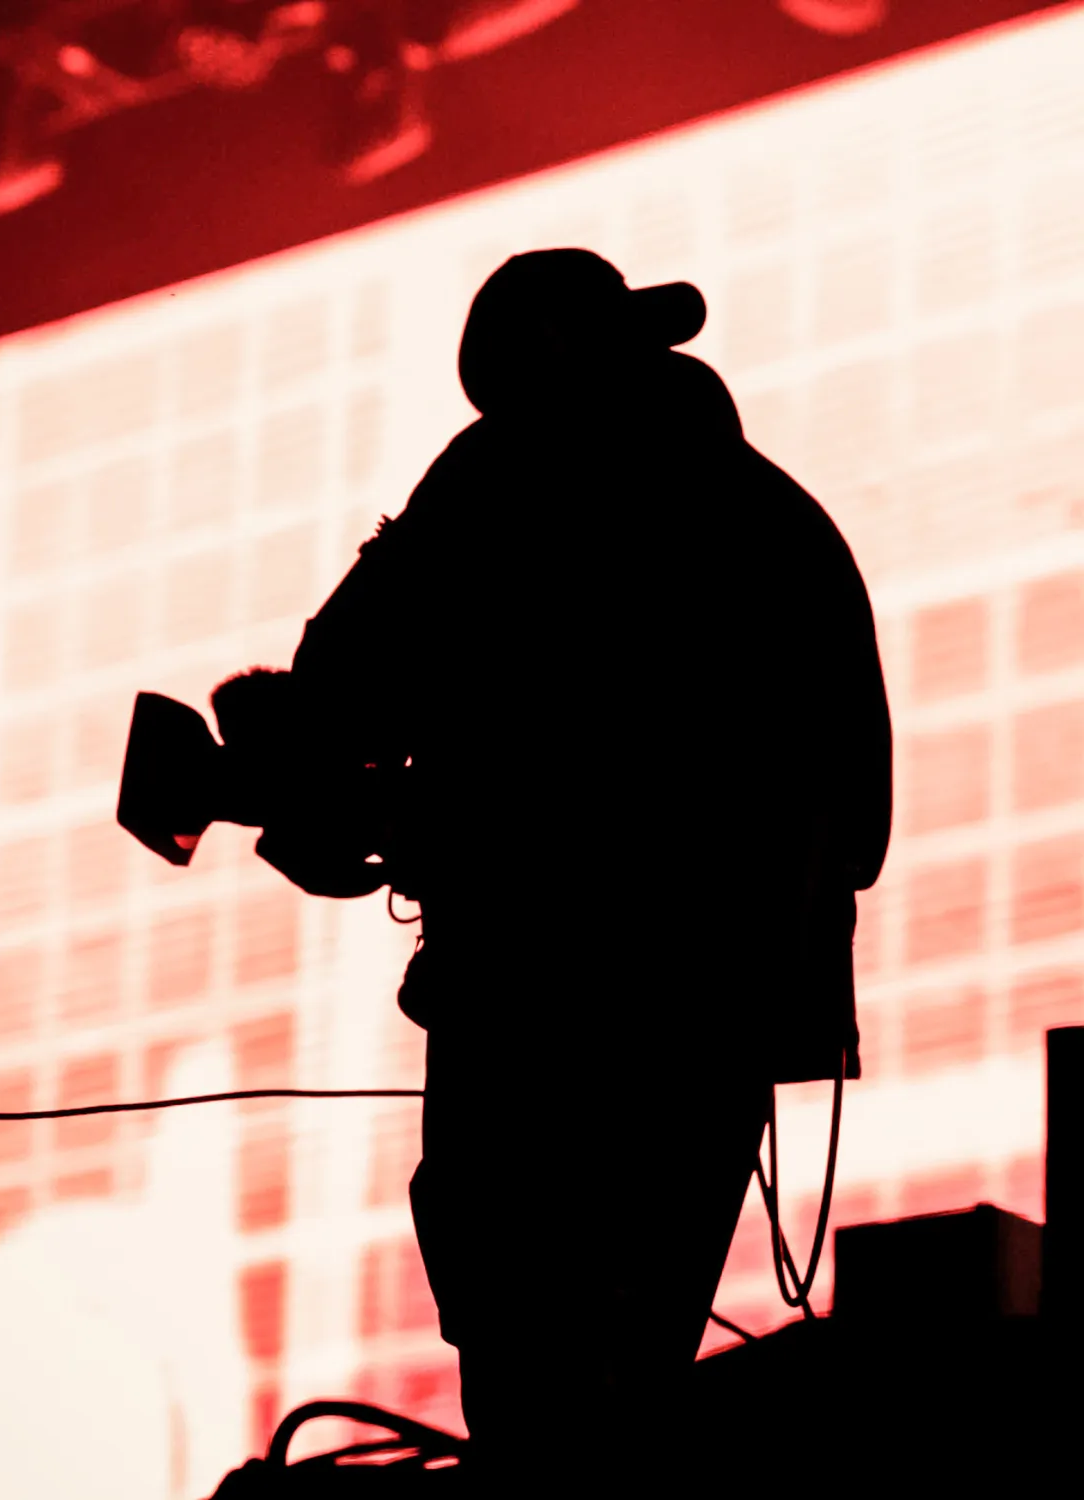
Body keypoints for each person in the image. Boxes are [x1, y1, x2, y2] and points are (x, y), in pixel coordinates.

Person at [280, 248, 892, 1483]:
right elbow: (860, 823)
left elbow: (338, 693)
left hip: (534, 998)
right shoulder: (778, 518)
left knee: (530, 1351)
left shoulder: (498, 478)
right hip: (724, 1013)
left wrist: (320, 783)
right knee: (632, 1362)